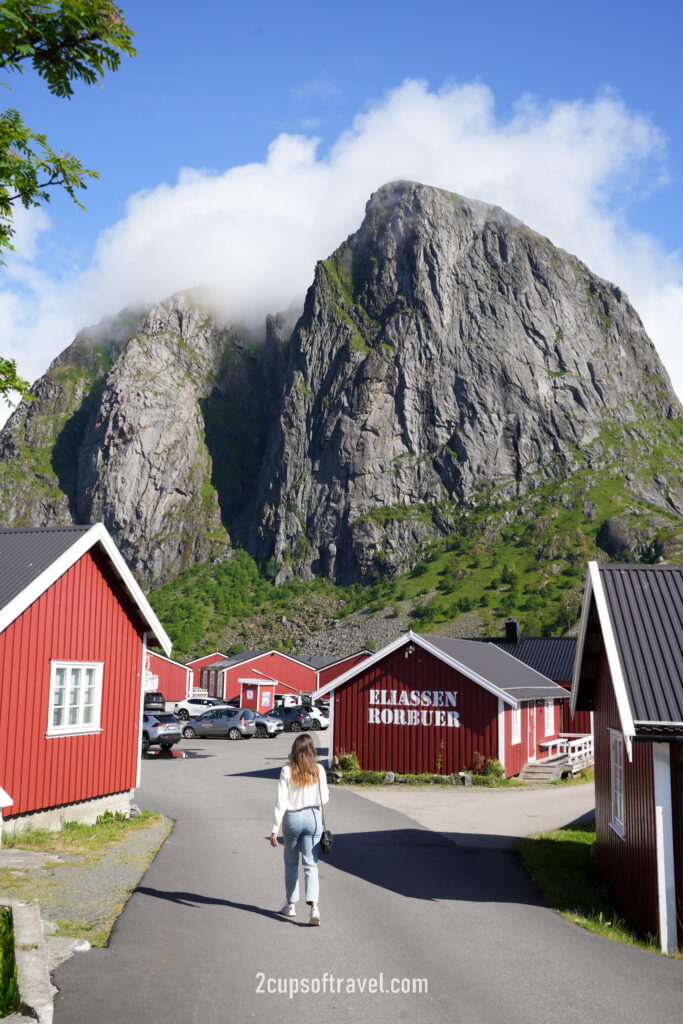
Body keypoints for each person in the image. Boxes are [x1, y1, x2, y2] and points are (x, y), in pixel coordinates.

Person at [270, 732, 329, 925]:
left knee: (291, 862)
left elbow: (281, 802)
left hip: (293, 818)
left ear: (294, 750)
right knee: (311, 864)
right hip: (313, 817)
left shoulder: (287, 771)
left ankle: (291, 905)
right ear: (313, 751)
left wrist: (274, 829)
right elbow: (325, 799)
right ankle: (314, 909)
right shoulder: (319, 770)